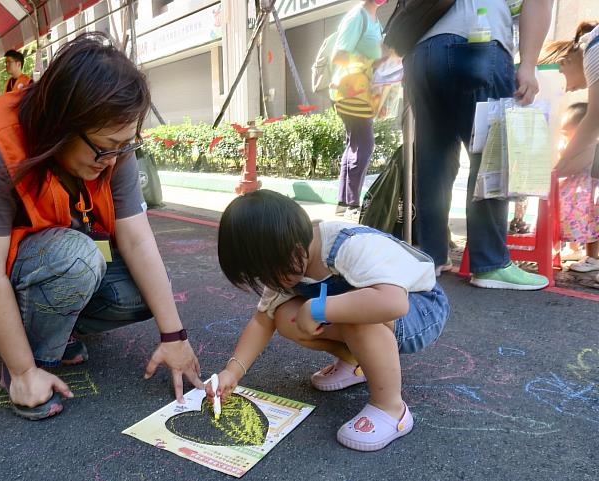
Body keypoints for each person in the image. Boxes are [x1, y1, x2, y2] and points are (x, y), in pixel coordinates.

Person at [0, 33, 202, 421]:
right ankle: (29, 360)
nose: (113, 161)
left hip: (64, 254)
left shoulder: (112, 143)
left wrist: (174, 336)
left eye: (125, 146)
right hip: (10, 270)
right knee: (76, 258)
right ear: (62, 124)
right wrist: (24, 371)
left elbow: (138, 239)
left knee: (147, 291)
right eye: (107, 147)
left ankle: (60, 329)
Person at [207, 190, 449, 451]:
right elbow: (262, 321)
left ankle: (391, 408)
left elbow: (393, 303)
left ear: (294, 250)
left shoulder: (348, 245)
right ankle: (355, 362)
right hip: (378, 310)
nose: (267, 283)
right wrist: (232, 372)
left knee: (354, 315)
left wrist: (317, 308)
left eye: (268, 274)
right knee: (284, 316)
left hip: (421, 309)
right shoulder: (285, 259)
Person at [402, 0, 554, 288]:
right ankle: (490, 263)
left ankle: (431, 257)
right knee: (489, 154)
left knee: (433, 157)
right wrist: (529, 64)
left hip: (421, 51)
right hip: (480, 41)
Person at [543, 22, 599, 282]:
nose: (567, 90)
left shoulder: (593, 48)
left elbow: (592, 122)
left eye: (559, 82)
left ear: (563, 63)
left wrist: (558, 169)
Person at [328, 0, 386, 218]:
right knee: (364, 144)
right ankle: (351, 204)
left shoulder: (374, 21)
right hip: (352, 93)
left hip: (361, 93)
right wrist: (371, 61)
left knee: (355, 144)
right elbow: (338, 55)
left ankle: (344, 203)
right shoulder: (357, 17)